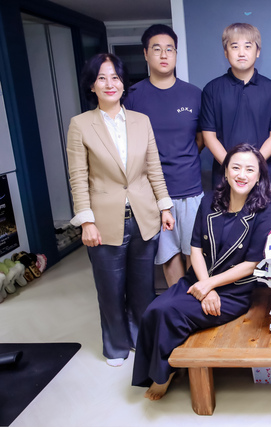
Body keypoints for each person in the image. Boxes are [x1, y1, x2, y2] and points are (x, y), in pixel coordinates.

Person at [132, 143, 271, 400]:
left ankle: (165, 374)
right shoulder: (209, 200)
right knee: (154, 310)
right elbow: (195, 248)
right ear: (226, 171)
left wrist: (211, 286)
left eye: (249, 169)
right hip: (198, 279)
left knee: (169, 312)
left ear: (259, 176)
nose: (242, 175)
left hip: (232, 291)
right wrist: (205, 285)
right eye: (236, 168)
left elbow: (251, 264)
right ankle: (164, 368)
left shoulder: (263, 210)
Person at [66, 53, 175, 367]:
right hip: (103, 221)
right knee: (110, 290)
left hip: (144, 217)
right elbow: (78, 177)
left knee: (142, 288)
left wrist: (165, 206)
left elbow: (154, 168)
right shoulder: (80, 125)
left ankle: (141, 339)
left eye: (115, 77)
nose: (109, 84)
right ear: (92, 85)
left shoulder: (141, 121)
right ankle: (115, 346)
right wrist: (86, 221)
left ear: (124, 83)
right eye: (101, 78)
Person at [124, 24, 203, 287]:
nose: (164, 54)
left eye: (170, 49)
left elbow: (201, 138)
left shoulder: (193, 94)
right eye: (157, 49)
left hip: (191, 188)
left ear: (176, 53)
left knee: (195, 252)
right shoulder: (132, 97)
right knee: (169, 255)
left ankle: (194, 305)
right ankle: (177, 305)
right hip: (153, 193)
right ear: (145, 54)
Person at [200, 23, 271, 219]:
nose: (241, 52)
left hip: (263, 178)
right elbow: (209, 137)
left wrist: (252, 168)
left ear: (257, 51)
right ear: (225, 52)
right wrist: (234, 169)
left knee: (265, 235)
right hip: (224, 180)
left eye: (248, 46)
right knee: (225, 234)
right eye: (234, 46)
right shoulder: (212, 90)